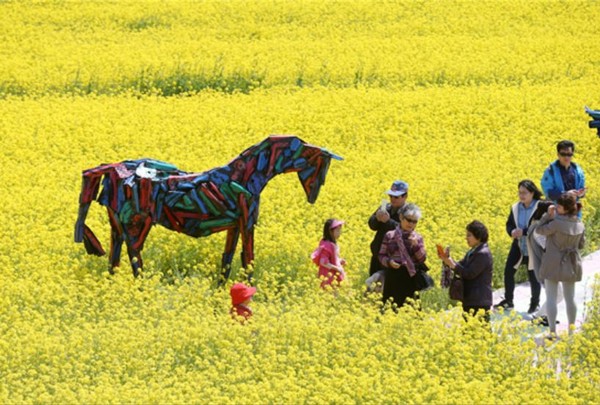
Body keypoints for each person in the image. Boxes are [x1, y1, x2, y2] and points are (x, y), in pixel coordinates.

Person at [494, 180, 552, 313]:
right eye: (520, 192)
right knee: (508, 272)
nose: (521, 195)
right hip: (519, 246)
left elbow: (543, 226)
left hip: (533, 247)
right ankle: (508, 301)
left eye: (524, 193)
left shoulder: (540, 206)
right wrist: (512, 231)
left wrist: (525, 231)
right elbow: (509, 224)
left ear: (532, 193)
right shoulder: (515, 207)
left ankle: (534, 304)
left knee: (534, 276)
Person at [534, 193, 585, 338]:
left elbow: (539, 230)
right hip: (572, 263)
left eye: (559, 206)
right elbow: (582, 245)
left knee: (551, 297)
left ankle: (552, 332)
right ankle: (571, 332)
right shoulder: (580, 223)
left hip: (553, 262)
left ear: (566, 209)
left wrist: (547, 216)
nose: (556, 207)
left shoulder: (555, 223)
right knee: (570, 298)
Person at [438, 221, 493, 320]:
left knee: (481, 332)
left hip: (479, 300)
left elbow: (469, 273)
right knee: (469, 331)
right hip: (471, 298)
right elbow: (460, 266)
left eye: (469, 235)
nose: (466, 238)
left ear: (478, 236)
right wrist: (447, 260)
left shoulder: (482, 253)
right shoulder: (473, 251)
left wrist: (452, 264)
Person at [378, 203, 427, 309]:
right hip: (393, 276)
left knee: (412, 310)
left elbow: (422, 259)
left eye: (414, 221)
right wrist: (389, 262)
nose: (411, 224)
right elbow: (382, 255)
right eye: (408, 220)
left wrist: (416, 246)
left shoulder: (417, 238)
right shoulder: (390, 235)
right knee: (390, 309)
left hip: (410, 277)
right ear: (401, 217)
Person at [368, 180, 409, 276]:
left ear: (405, 196)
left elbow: (405, 231)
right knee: (373, 287)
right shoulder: (385, 206)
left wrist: (388, 221)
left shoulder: (408, 212)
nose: (392, 199)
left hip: (393, 260)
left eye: (396, 197)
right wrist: (377, 219)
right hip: (377, 255)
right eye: (390, 196)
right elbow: (372, 225)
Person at [540, 140, 586, 217]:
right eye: (563, 154)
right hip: (557, 212)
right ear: (558, 154)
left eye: (569, 154)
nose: (566, 157)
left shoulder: (578, 170)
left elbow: (581, 189)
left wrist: (581, 193)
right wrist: (566, 194)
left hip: (574, 213)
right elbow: (549, 192)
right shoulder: (550, 171)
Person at [311, 219, 346, 289]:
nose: (339, 233)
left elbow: (332, 259)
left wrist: (339, 261)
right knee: (331, 294)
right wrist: (337, 268)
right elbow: (323, 262)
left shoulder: (332, 244)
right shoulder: (327, 245)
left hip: (334, 274)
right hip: (328, 276)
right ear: (330, 232)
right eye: (337, 230)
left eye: (340, 230)